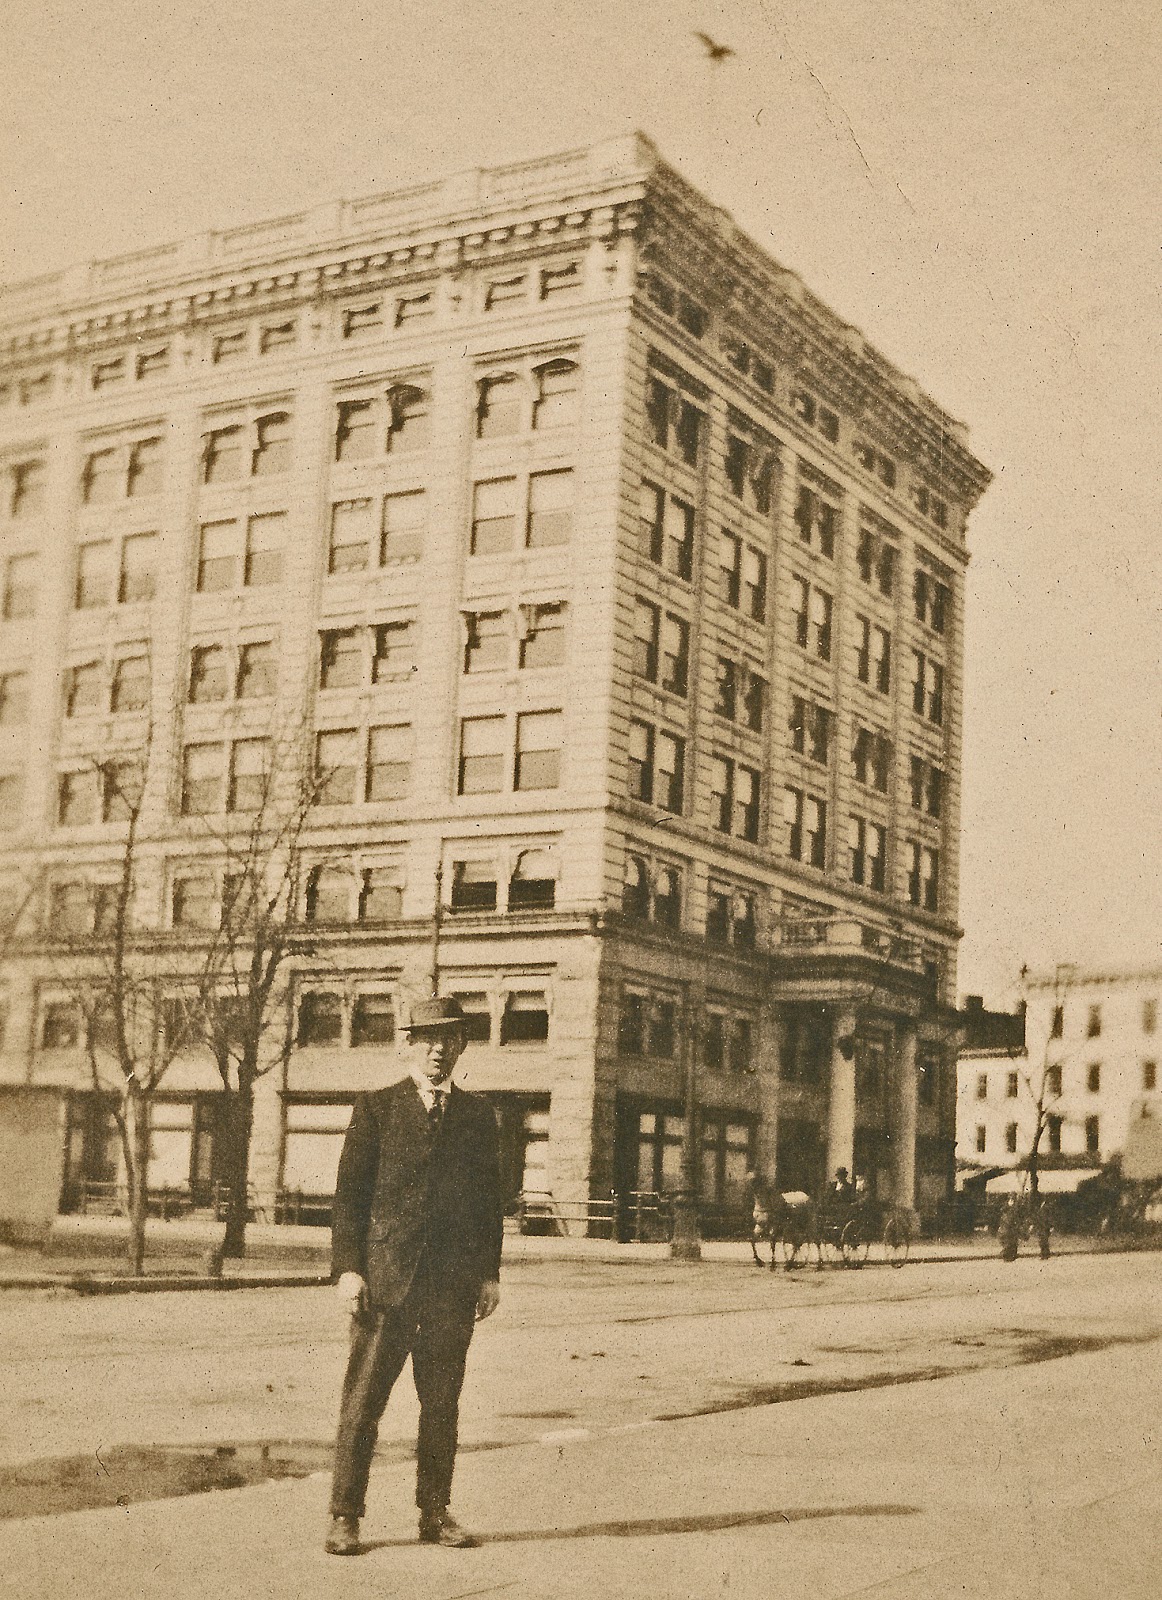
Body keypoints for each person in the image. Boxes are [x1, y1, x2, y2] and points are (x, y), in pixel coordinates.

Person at [326, 995, 503, 1555]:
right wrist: (349, 1269)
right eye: (426, 1039)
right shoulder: (376, 1108)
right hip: (385, 1282)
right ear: (406, 1043)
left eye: (448, 1039)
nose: (437, 1049)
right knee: (364, 1402)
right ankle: (344, 1516)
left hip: (452, 1288)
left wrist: (488, 1275)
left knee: (443, 1404)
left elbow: (487, 1203)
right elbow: (349, 1197)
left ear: (461, 1046)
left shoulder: (477, 1116)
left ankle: (435, 1512)